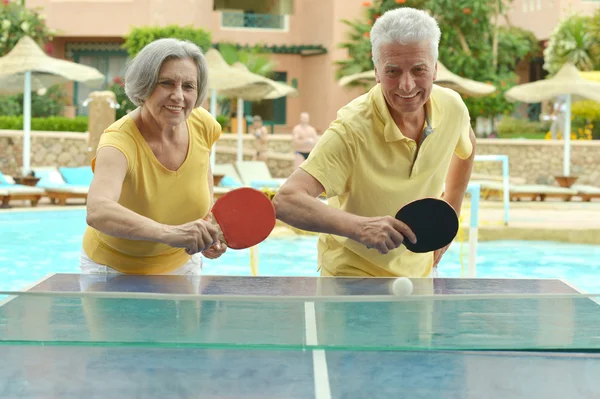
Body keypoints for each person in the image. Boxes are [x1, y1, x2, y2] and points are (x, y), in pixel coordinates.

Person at [273, 8, 476, 278]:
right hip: (351, 277)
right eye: (393, 71)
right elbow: (286, 201)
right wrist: (359, 228)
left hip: (421, 273)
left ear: (435, 69)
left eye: (419, 69)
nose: (406, 85)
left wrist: (452, 213)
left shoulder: (453, 108)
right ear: (377, 72)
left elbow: (466, 148)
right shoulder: (350, 129)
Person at [81, 38, 227, 276]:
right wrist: (171, 234)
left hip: (183, 263)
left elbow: (202, 171)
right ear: (144, 86)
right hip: (113, 269)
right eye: (167, 83)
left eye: (189, 86)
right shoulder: (118, 142)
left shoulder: (203, 124)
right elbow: (98, 210)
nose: (178, 96)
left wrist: (205, 228)